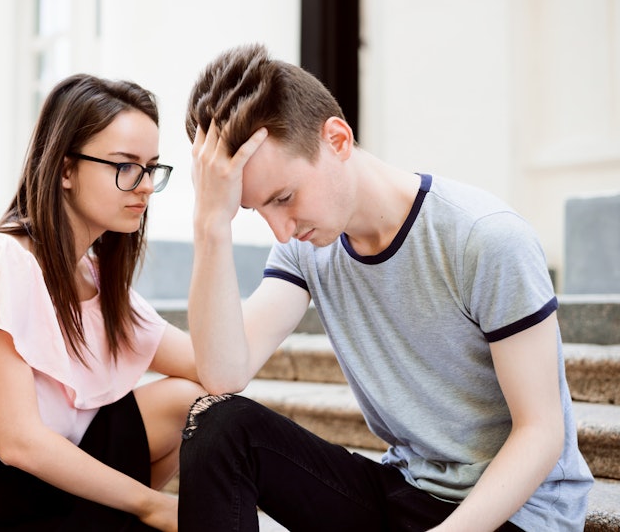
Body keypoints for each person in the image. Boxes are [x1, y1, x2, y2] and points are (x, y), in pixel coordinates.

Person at [178, 43, 594, 531]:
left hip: (514, 514)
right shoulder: (305, 248)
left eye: (284, 198)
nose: (280, 230)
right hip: (405, 493)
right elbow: (225, 375)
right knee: (218, 426)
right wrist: (211, 223)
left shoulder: (484, 237)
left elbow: (541, 434)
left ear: (336, 139)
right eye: (255, 209)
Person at [0, 73, 204, 532]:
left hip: (47, 486)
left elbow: (213, 370)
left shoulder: (96, 279)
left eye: (151, 167)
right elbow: (18, 442)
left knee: (192, 403)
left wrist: (215, 229)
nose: (143, 185)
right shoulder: (1, 260)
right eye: (125, 165)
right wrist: (150, 506)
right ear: (64, 170)